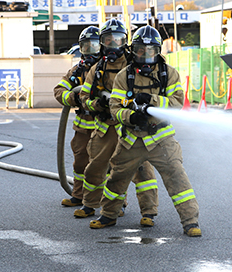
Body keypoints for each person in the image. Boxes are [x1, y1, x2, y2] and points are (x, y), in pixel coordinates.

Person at [90, 25, 201, 237]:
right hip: (131, 139)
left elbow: (178, 104)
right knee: (116, 179)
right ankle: (108, 215)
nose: (145, 54)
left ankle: (190, 222)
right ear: (133, 50)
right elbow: (115, 107)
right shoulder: (125, 75)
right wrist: (130, 117)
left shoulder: (169, 74)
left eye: (150, 50)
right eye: (141, 50)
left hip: (161, 139)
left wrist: (152, 100)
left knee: (177, 178)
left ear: (158, 51)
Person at [77, 19, 159, 228]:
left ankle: (148, 212)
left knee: (142, 171)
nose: (114, 46)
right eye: (108, 40)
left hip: (132, 126)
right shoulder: (97, 69)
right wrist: (96, 103)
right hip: (107, 126)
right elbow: (84, 96)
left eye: (118, 40)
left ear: (126, 41)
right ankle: (90, 204)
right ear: (101, 42)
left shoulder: (136, 64)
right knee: (95, 167)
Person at [54, 26, 100, 207]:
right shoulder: (77, 71)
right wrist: (72, 97)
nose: (89, 51)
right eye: (85, 47)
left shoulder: (106, 69)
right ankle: (79, 195)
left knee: (108, 165)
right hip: (82, 127)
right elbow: (58, 90)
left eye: (94, 46)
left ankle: (114, 202)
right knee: (80, 164)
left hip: (105, 126)